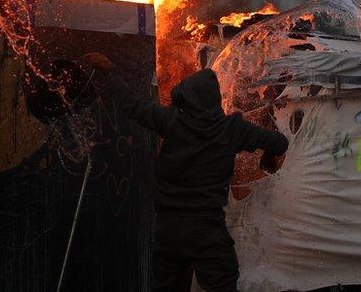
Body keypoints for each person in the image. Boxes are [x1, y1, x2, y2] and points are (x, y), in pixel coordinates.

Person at [81, 52, 289, 292]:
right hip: (207, 230)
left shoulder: (171, 121)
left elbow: (132, 104)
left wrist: (110, 70)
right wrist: (269, 157)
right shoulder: (231, 129)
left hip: (170, 230)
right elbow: (279, 143)